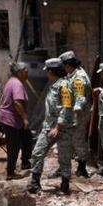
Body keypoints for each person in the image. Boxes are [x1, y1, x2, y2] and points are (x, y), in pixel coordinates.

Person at [27, 58, 74, 195]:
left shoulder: (64, 86)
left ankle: (64, 186)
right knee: (37, 152)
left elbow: (66, 108)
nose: (46, 73)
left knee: (64, 157)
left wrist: (58, 127)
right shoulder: (54, 85)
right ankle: (35, 183)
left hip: (62, 127)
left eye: (47, 71)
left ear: (52, 71)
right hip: (48, 126)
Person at [0, 61, 33, 181]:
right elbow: (17, 102)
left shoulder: (12, 81)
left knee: (27, 138)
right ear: (20, 72)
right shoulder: (17, 84)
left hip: (11, 118)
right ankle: (10, 172)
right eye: (26, 72)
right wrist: (25, 118)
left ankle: (25, 162)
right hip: (10, 119)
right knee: (14, 146)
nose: (28, 74)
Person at [60, 51, 92, 178]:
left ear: (68, 64)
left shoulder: (79, 77)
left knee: (78, 140)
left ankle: (82, 168)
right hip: (72, 114)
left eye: (64, 65)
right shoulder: (71, 75)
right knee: (71, 140)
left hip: (78, 114)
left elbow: (80, 99)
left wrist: (76, 117)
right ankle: (67, 166)